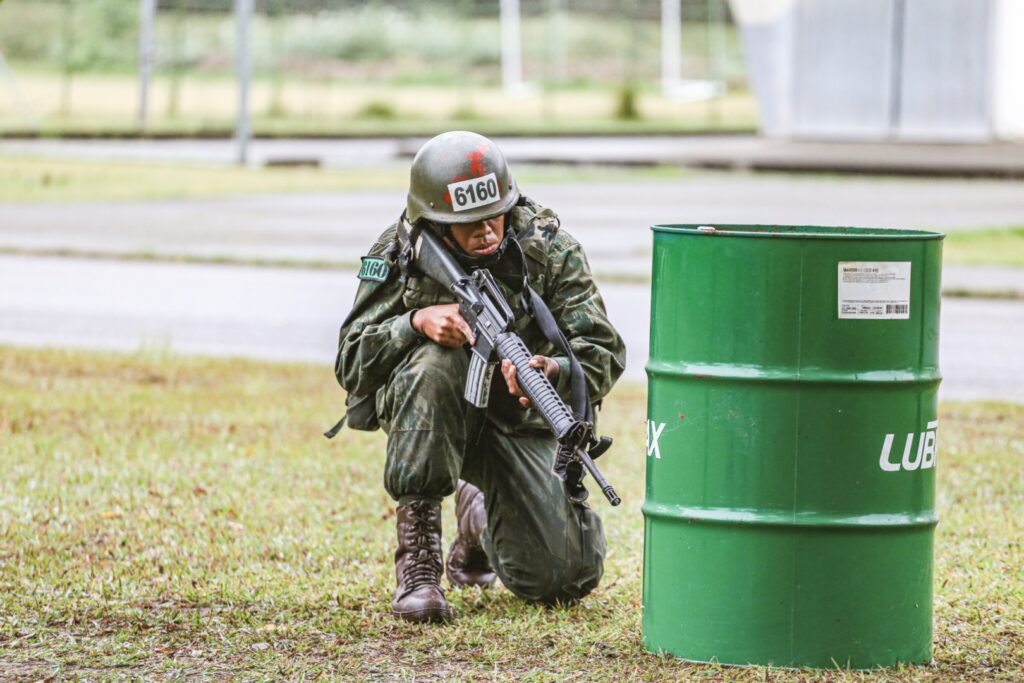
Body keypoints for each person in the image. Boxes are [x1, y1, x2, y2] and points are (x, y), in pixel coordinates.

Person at [333, 131, 625, 623]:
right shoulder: (400, 251)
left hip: (519, 424)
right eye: (468, 222)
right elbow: (351, 360)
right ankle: (419, 569)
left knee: (561, 578)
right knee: (434, 364)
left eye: (495, 215)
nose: (486, 230)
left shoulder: (550, 249)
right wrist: (414, 323)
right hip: (433, 416)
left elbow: (603, 350)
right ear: (434, 221)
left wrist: (551, 370)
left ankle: (477, 519)